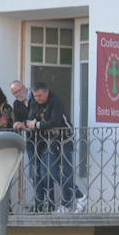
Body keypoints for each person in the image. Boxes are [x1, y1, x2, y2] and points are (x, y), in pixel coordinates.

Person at [22, 82, 78, 212]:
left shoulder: (56, 101)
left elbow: (55, 121)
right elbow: (30, 119)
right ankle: (62, 203)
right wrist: (36, 124)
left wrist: (37, 125)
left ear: (47, 92)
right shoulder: (34, 102)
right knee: (49, 172)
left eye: (40, 95)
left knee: (66, 171)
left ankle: (68, 203)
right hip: (50, 141)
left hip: (65, 138)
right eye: (35, 96)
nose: (38, 98)